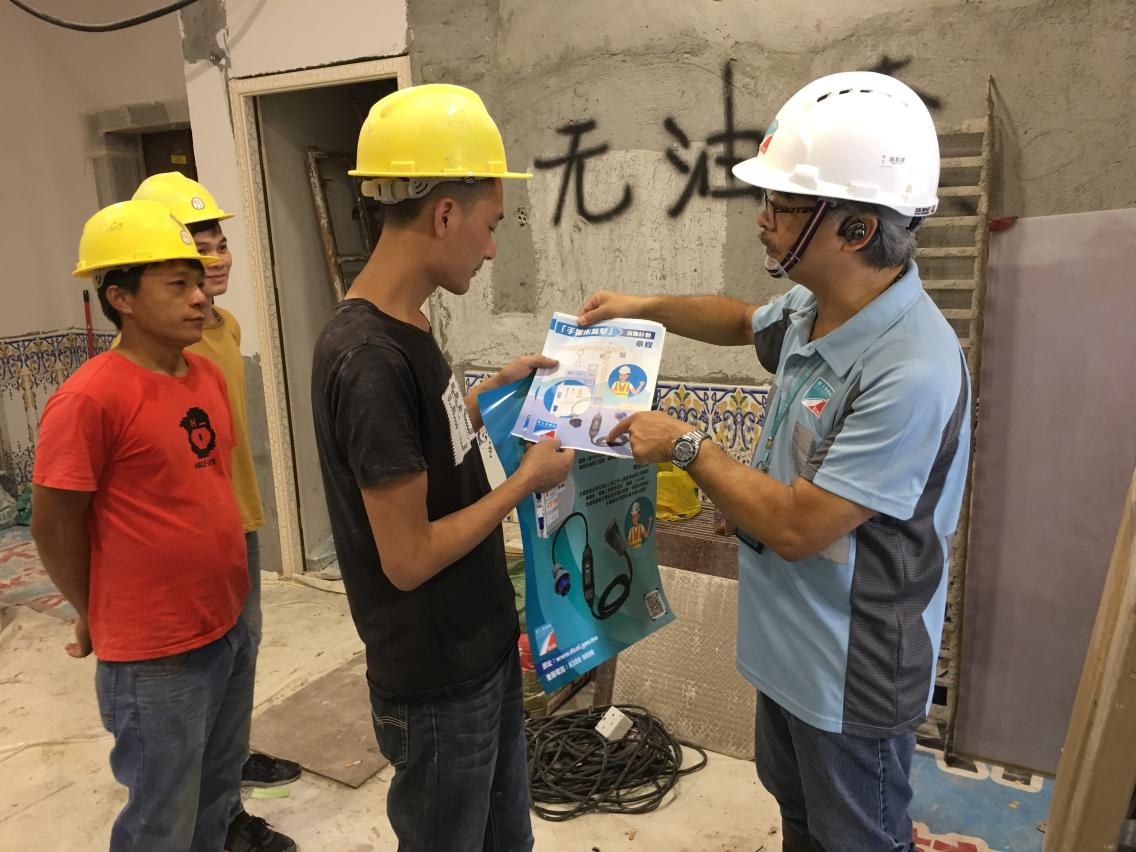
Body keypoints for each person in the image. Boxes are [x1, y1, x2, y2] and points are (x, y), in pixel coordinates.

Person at [579, 71, 971, 851]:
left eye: (783, 205)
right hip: (791, 649)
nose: (762, 219)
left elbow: (799, 527)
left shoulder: (911, 368)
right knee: (800, 821)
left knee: (857, 837)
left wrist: (686, 445)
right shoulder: (818, 306)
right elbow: (741, 323)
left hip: (851, 672)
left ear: (854, 229)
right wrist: (642, 308)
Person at [310, 83, 575, 852]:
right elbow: (409, 556)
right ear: (445, 214)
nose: (491, 250)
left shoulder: (408, 325)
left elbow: (428, 440)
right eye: (490, 226)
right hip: (435, 681)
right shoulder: (368, 360)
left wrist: (491, 393)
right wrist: (525, 483)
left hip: (478, 647)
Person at [31, 200, 253, 851]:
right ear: (121, 298)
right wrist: (90, 607)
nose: (199, 296)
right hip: (156, 652)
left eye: (198, 281)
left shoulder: (204, 375)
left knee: (217, 793)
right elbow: (53, 523)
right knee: (162, 815)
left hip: (225, 623)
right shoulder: (90, 397)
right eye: (177, 284)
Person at [131, 172, 298, 852]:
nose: (217, 259)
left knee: (239, 658)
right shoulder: (155, 355)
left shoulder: (223, 329)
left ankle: (228, 769)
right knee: (194, 680)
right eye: (198, 249)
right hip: (189, 542)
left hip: (239, 522)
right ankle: (216, 812)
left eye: (220, 244)